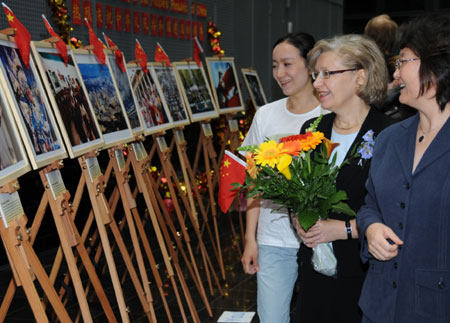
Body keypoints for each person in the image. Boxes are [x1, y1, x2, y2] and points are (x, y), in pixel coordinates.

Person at [292, 34, 395, 323]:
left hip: (362, 275)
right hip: (313, 273)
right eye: (315, 75)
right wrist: (298, 218)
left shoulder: (390, 135)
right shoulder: (312, 129)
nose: (316, 84)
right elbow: (299, 191)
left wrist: (344, 229)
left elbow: (398, 215)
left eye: (328, 74)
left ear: (360, 77)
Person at [357, 14, 450, 323]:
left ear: (435, 66)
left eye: (402, 63)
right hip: (379, 304)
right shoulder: (390, 139)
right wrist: (370, 228)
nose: (395, 76)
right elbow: (370, 204)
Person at [240, 32, 325, 323]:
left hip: (320, 237)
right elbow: (252, 180)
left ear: (310, 64)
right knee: (272, 318)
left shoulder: (330, 114)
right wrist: (250, 239)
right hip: (273, 239)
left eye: (287, 64)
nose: (279, 73)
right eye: (275, 65)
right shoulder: (265, 115)